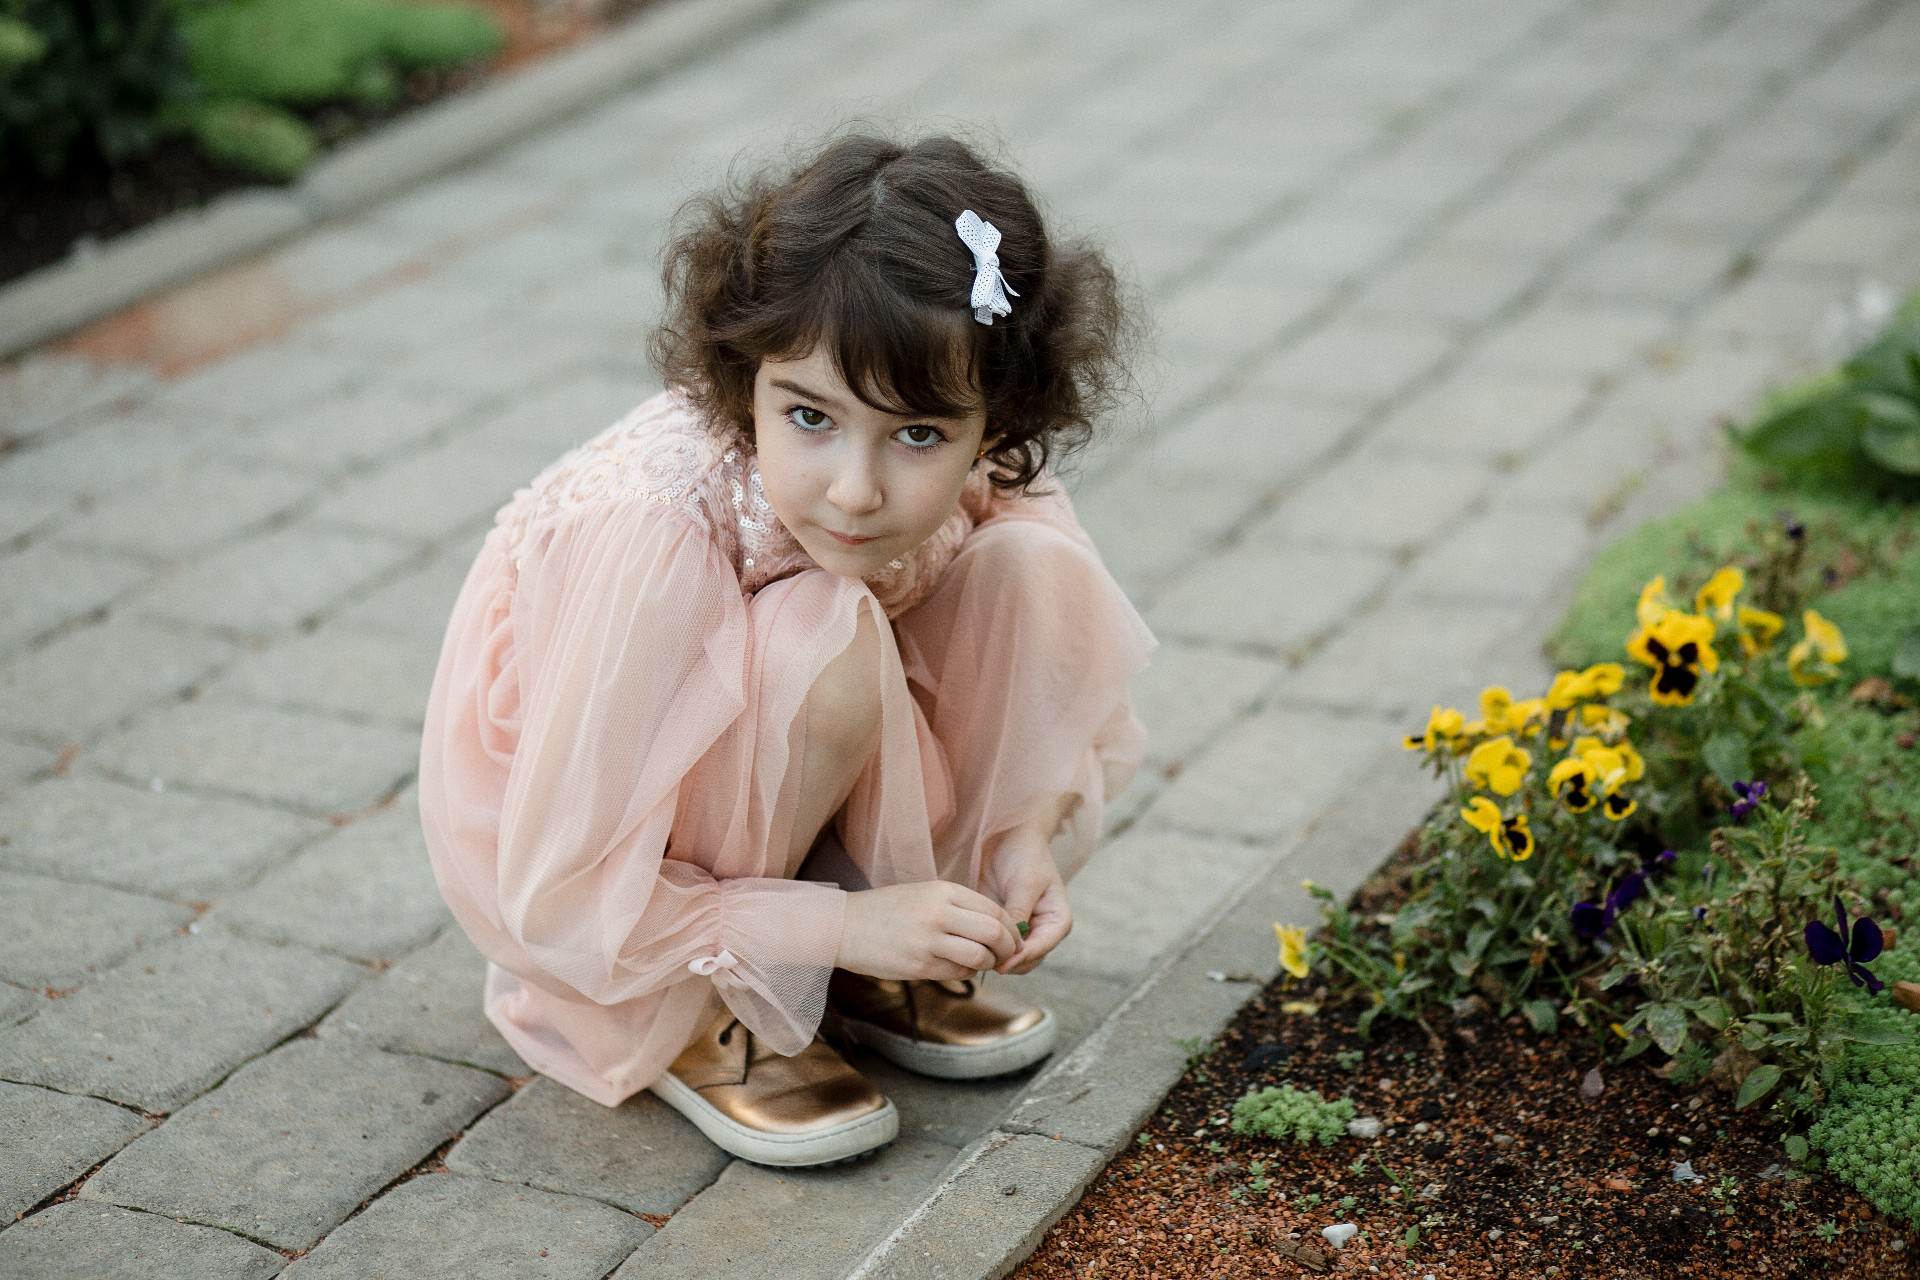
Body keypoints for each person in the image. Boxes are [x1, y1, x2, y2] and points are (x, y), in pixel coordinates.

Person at [418, 133, 1155, 1168]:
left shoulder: (986, 464)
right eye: (810, 416)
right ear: (745, 377)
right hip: (599, 806)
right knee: (826, 630)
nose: (855, 488)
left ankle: (861, 937)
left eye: (917, 435)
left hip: (785, 755)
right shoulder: (657, 533)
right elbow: (559, 886)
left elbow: (1048, 645)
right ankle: (702, 1002)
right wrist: (833, 928)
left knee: (1026, 566)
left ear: (997, 424)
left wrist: (1020, 833)